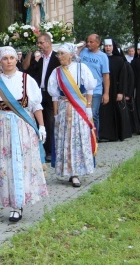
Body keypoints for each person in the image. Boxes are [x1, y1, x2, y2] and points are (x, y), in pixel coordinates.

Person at [0, 46, 47, 222]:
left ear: (16, 60)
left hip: (24, 127)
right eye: (5, 58)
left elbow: (36, 106)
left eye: (11, 58)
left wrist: (41, 126)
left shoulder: (27, 80)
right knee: (6, 165)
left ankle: (21, 201)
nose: (9, 61)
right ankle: (13, 203)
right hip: (2, 129)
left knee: (23, 163)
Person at [47, 43, 97, 188]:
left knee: (78, 138)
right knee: (65, 139)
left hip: (79, 109)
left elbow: (89, 89)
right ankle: (69, 170)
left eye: (62, 54)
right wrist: (56, 114)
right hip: (63, 109)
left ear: (71, 54)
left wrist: (88, 107)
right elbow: (54, 96)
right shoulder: (56, 72)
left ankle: (77, 171)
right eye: (58, 54)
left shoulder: (82, 68)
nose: (59, 57)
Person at [22, 32, 60, 161]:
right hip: (38, 92)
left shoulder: (56, 58)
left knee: (49, 121)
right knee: (38, 120)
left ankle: (50, 151)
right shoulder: (38, 58)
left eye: (41, 43)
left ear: (48, 43)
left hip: (51, 94)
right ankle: (39, 148)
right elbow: (25, 67)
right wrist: (30, 54)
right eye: (38, 43)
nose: (39, 45)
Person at [99, 39, 132, 141]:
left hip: (115, 90)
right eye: (106, 46)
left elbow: (123, 78)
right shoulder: (101, 58)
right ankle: (104, 135)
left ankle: (115, 135)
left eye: (110, 46)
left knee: (115, 112)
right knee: (103, 113)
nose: (108, 48)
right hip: (103, 89)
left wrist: (121, 92)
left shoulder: (119, 60)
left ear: (113, 47)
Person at [78, 34, 110, 136]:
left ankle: (94, 137)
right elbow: (73, 58)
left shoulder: (103, 56)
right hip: (82, 89)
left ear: (98, 43)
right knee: (82, 113)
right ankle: (84, 136)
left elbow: (106, 76)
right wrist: (80, 47)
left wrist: (106, 93)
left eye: (91, 42)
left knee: (93, 113)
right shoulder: (83, 52)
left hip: (96, 90)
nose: (88, 44)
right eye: (87, 41)